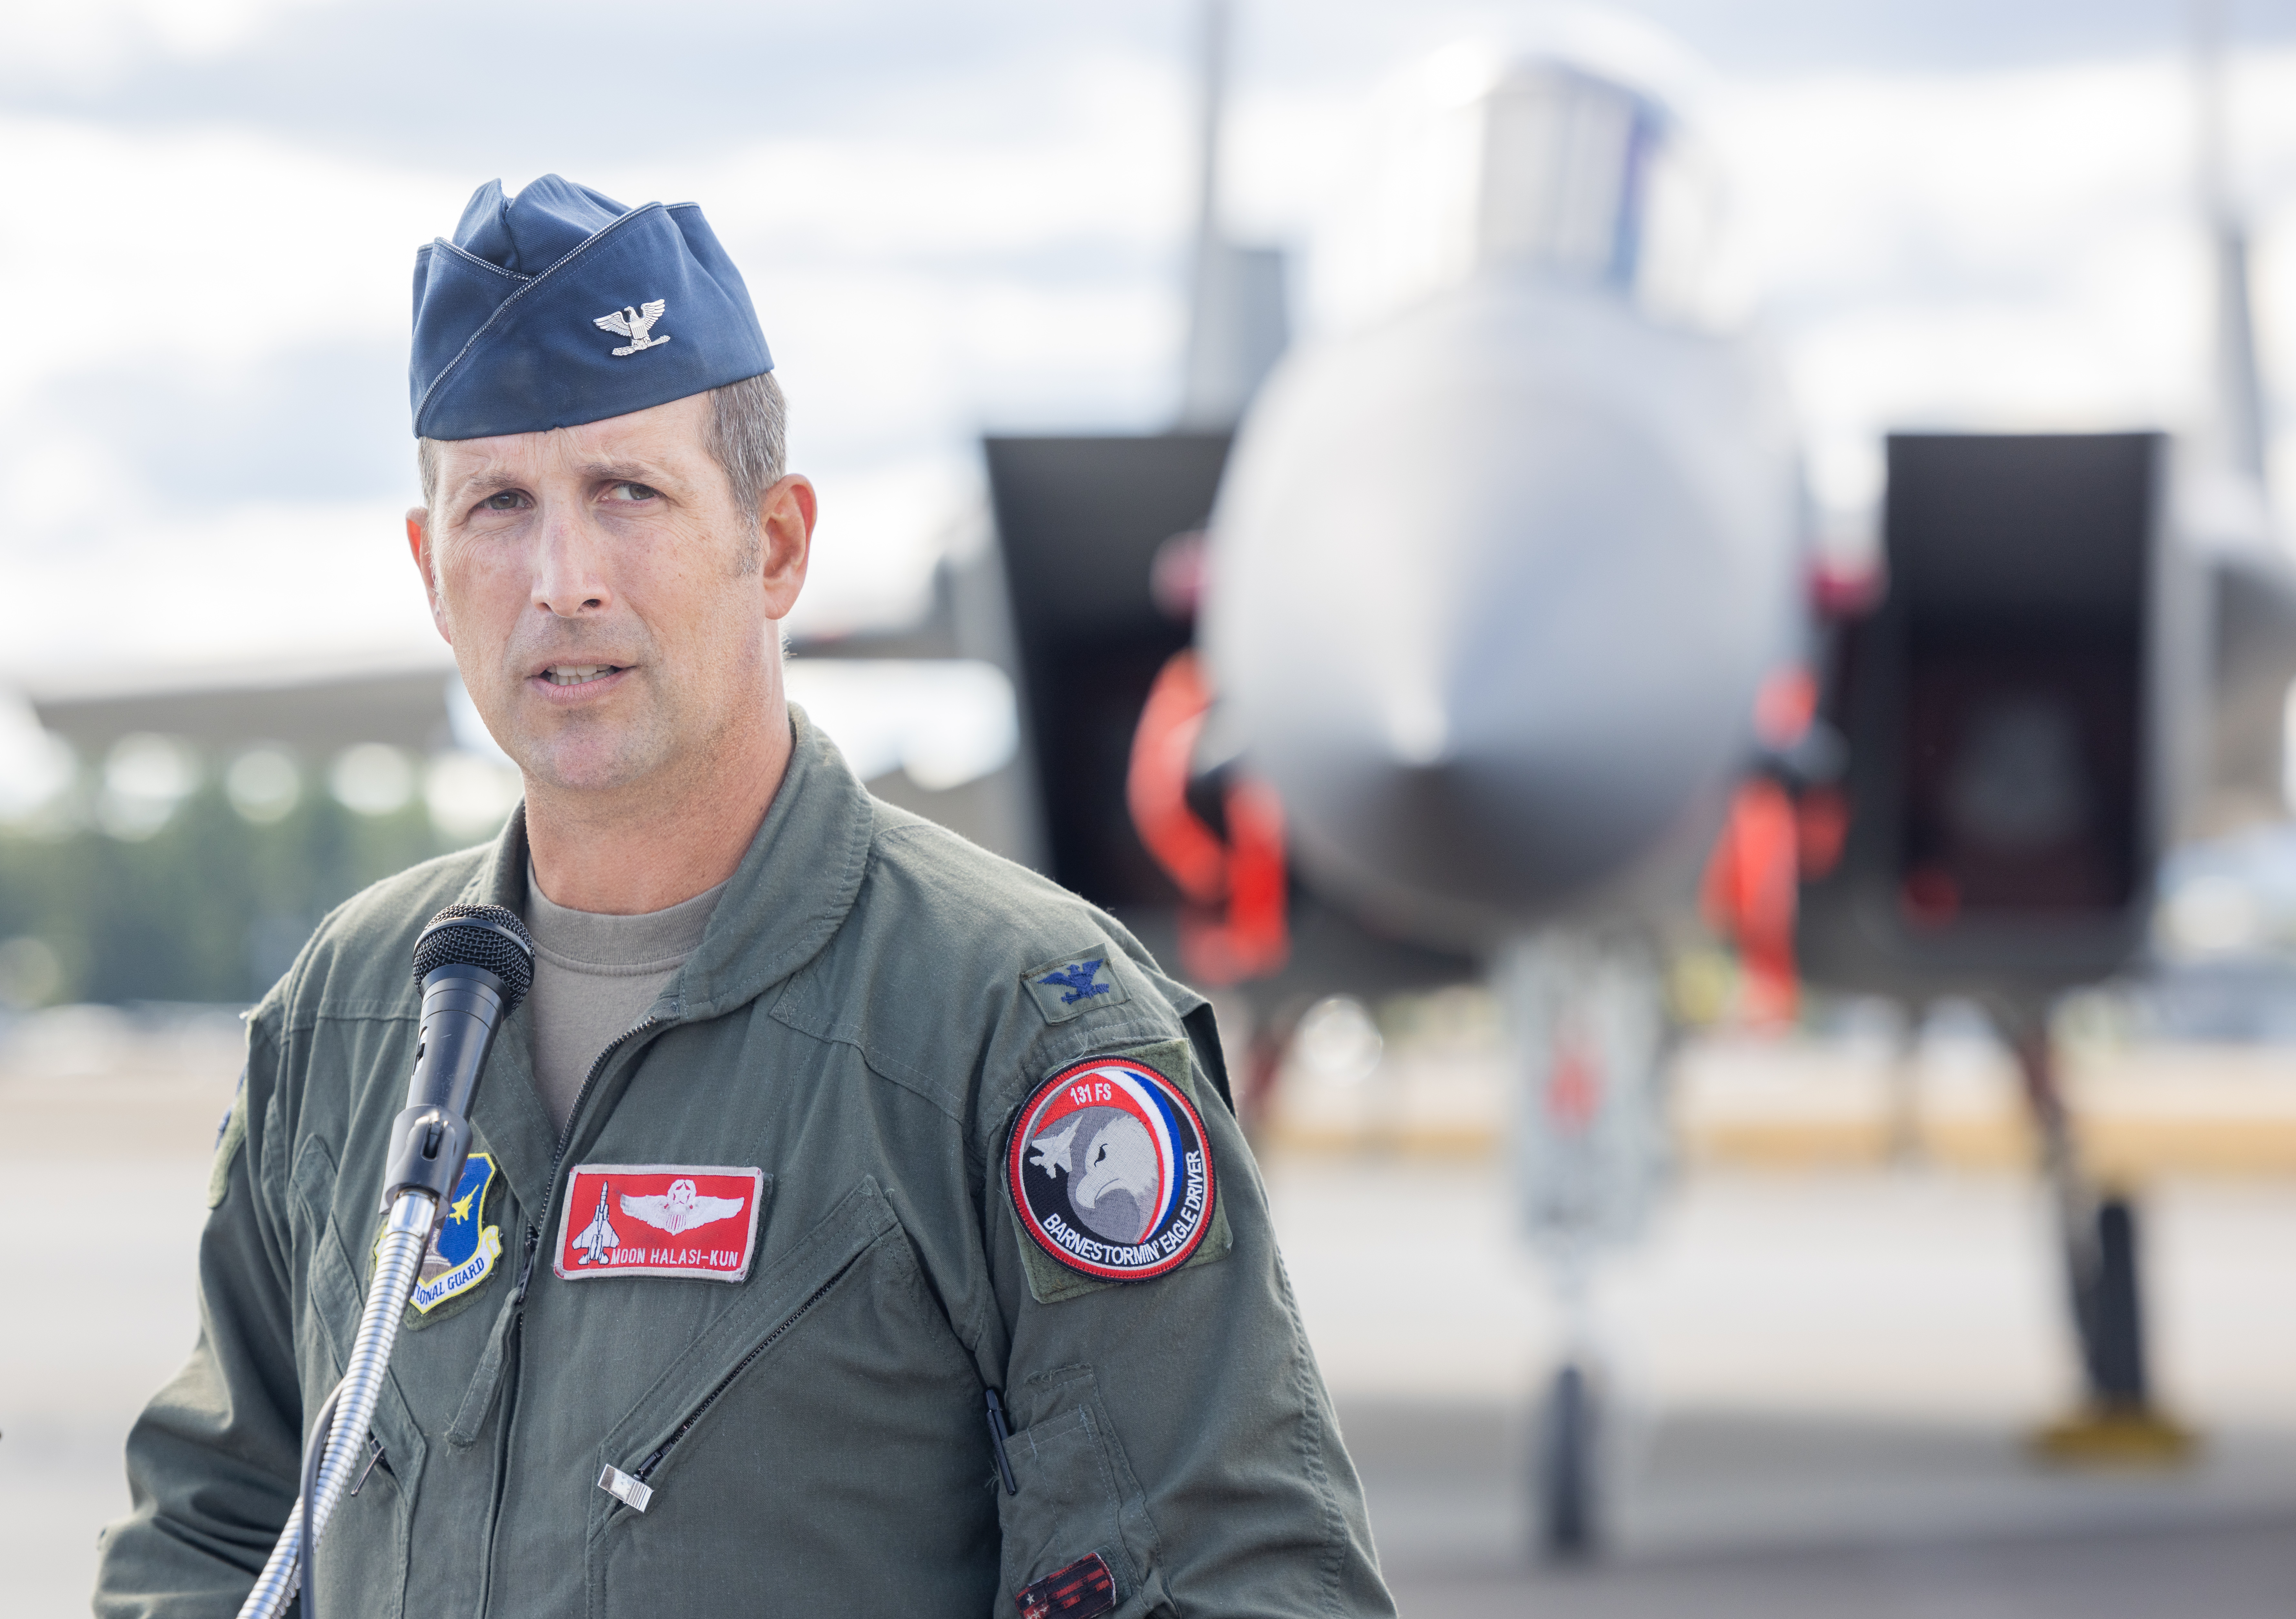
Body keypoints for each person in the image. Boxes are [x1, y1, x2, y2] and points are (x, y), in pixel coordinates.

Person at [92, 175, 1394, 1618]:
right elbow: (214, 1535)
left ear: (773, 543)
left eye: (626, 494)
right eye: (500, 507)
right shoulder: (349, 1013)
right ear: (429, 567)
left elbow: (1230, 1579)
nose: (560, 579)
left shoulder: (1018, 1031)